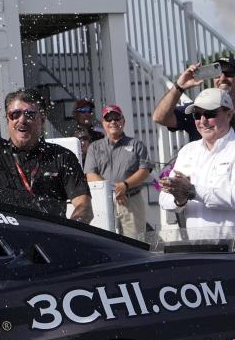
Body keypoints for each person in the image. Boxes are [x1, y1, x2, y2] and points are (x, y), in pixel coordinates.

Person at [0, 39, 93, 221]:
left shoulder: (61, 157)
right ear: (7, 119)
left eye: (29, 114)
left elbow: (84, 206)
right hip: (6, 242)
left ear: (42, 119)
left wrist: (71, 229)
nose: (22, 120)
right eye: (15, 114)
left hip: (48, 240)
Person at [159, 88, 235, 233]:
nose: (203, 121)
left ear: (229, 114)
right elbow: (164, 199)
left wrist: (192, 191)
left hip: (231, 251)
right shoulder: (187, 151)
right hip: (196, 248)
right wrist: (179, 198)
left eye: (210, 114)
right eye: (197, 115)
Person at [83, 104, 152, 240]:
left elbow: (144, 171)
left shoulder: (136, 145)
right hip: (104, 202)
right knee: (106, 241)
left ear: (123, 121)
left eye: (116, 118)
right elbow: (90, 174)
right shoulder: (94, 147)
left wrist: (125, 186)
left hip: (131, 200)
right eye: (108, 119)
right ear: (103, 123)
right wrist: (114, 191)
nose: (113, 122)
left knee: (135, 241)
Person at [153, 58, 235, 142]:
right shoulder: (199, 109)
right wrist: (179, 86)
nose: (222, 78)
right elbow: (159, 117)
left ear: (229, 115)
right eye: (217, 74)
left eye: (229, 73)